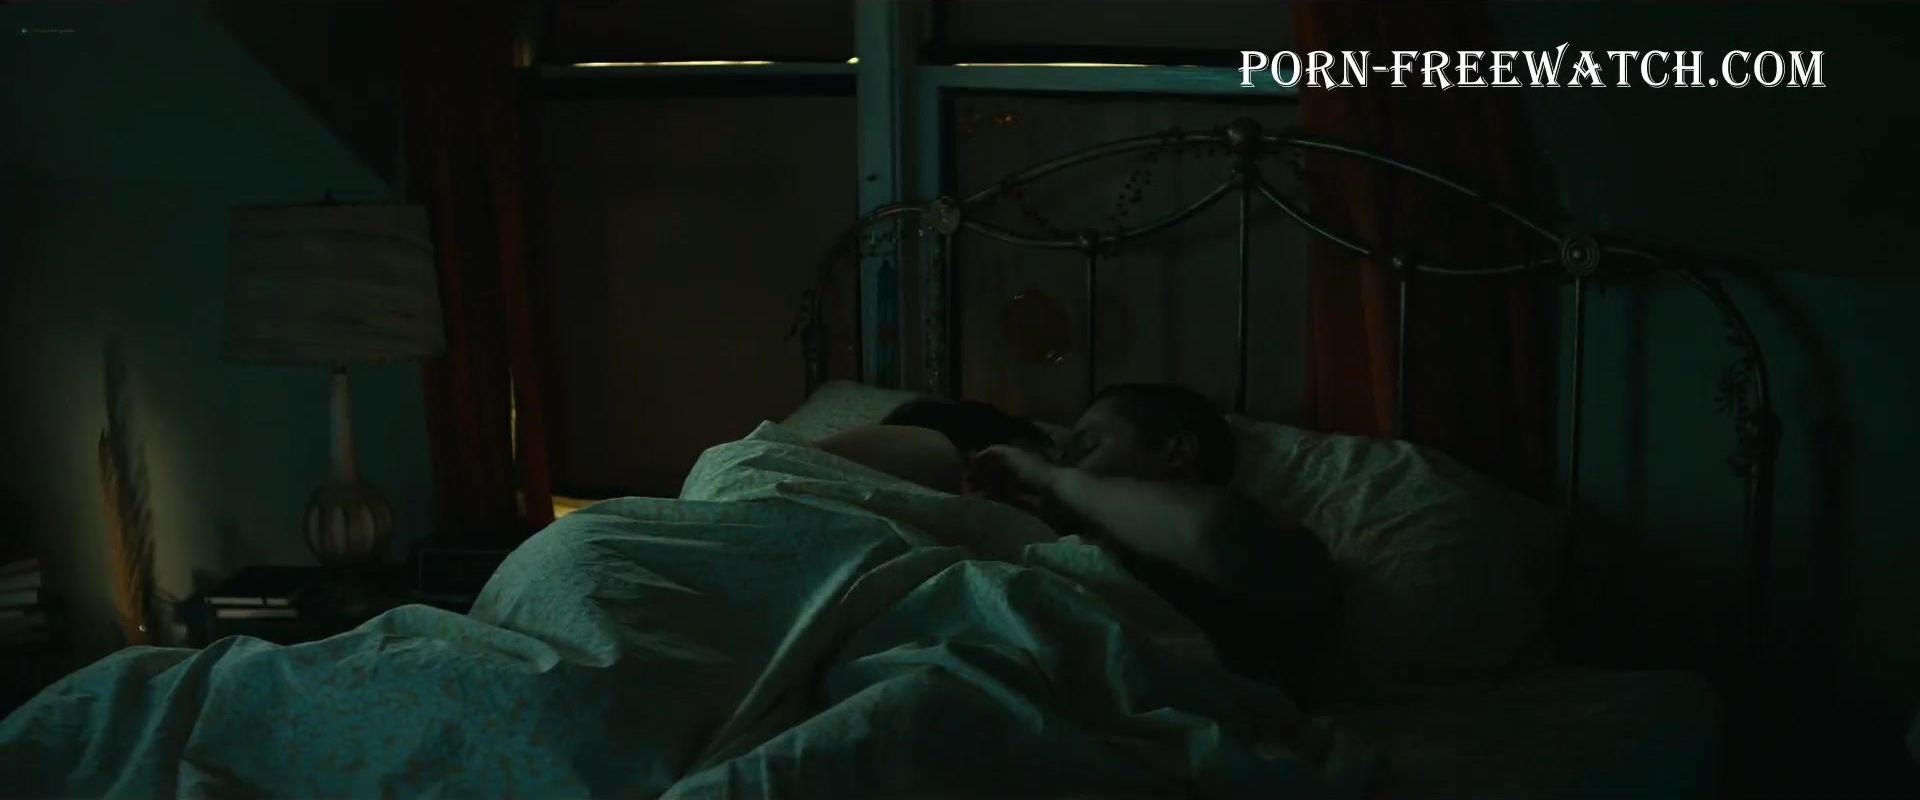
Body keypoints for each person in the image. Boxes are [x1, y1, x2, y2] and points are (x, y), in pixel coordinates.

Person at [970, 383, 1342, 698]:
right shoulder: (1053, 539)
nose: (1067, 465)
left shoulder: (1258, 543)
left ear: (1177, 453)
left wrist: (1051, 479)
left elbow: (1221, 535)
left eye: (1087, 446)